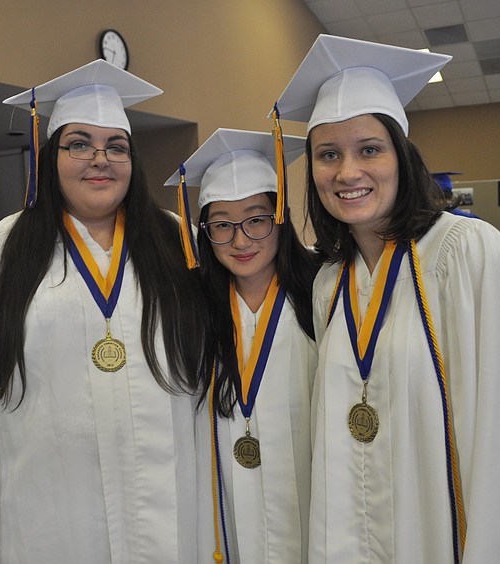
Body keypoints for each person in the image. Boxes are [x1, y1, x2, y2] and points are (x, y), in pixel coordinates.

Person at [272, 35, 500, 563]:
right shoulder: (329, 282)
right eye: (327, 154)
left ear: (402, 158)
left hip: (440, 531)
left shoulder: (466, 254)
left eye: (369, 150)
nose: (347, 172)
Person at [0, 60, 209, 563]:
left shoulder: (174, 241)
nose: (100, 159)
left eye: (116, 146)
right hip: (48, 518)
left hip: (168, 511)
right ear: (51, 156)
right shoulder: (2, 250)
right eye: (79, 144)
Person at [164, 128, 319, 562]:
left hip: (307, 495)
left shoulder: (323, 294)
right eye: (221, 226)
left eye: (256, 219)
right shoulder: (192, 308)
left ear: (279, 217)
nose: (240, 240)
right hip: (223, 505)